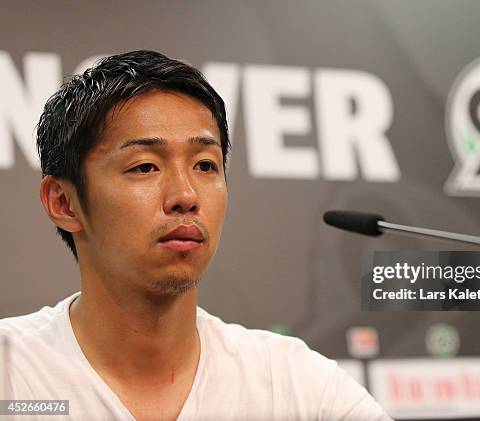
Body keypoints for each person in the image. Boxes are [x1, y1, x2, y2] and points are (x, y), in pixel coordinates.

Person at [0, 51, 391, 421]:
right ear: (64, 203)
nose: (186, 196)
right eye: (144, 167)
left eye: (205, 165)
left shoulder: (293, 382)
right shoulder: (13, 374)